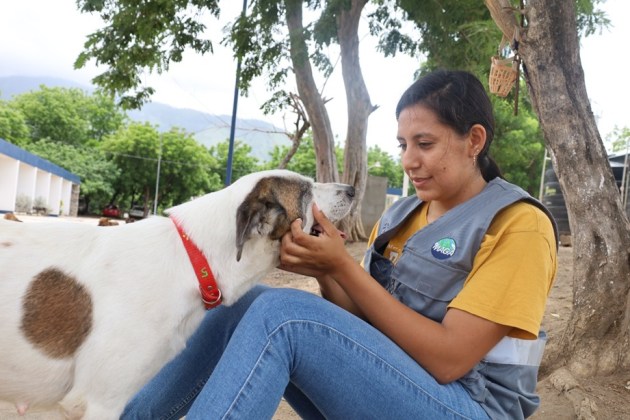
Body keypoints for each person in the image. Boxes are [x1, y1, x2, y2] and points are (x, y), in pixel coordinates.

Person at [121, 69, 558, 420]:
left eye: (425, 144)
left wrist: (343, 268)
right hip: (400, 383)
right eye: (404, 144)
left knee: (282, 317)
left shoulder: (518, 225)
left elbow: (448, 360)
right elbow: (366, 326)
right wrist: (324, 269)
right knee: (243, 302)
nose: (409, 160)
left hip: (467, 405)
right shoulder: (402, 215)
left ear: (474, 141)